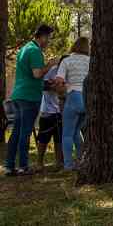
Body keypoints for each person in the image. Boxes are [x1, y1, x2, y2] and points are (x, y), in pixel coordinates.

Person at [5, 24, 57, 176]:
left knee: (16, 132)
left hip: (18, 95)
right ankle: (23, 166)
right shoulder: (35, 51)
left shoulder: (24, 49)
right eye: (48, 38)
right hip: (29, 97)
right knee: (25, 133)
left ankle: (9, 166)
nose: (49, 42)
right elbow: (37, 74)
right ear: (42, 36)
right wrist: (50, 64)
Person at [55, 37, 91, 171]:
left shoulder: (67, 60)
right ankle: (81, 161)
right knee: (77, 132)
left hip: (73, 95)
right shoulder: (91, 61)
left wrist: (61, 93)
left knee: (67, 134)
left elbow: (59, 81)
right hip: (87, 99)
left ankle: (68, 165)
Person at [36, 57, 66, 171]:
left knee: (59, 138)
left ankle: (59, 162)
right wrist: (55, 87)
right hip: (47, 111)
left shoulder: (69, 72)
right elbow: (42, 85)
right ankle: (39, 163)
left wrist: (59, 87)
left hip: (62, 111)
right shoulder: (52, 70)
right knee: (43, 138)